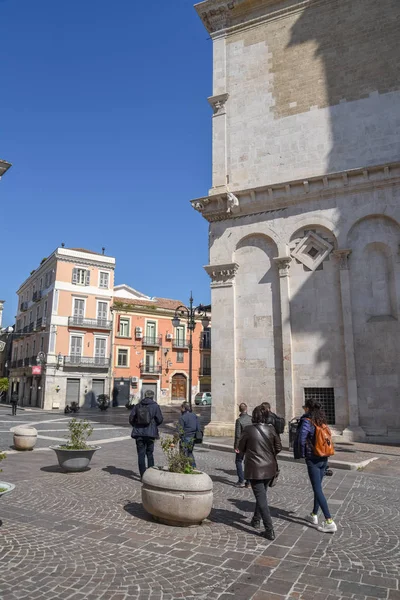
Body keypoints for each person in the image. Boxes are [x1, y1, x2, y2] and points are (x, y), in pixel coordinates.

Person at [239, 404, 282, 540]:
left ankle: (269, 529)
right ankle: (256, 520)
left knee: (261, 498)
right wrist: (268, 454)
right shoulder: (271, 429)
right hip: (269, 468)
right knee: (261, 495)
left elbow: (241, 448)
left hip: (255, 469)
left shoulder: (248, 430)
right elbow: (278, 447)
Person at [294, 398, 337, 533]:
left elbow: (301, 438)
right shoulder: (321, 420)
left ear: (308, 408)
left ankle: (329, 521)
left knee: (317, 489)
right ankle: (313, 515)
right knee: (317, 487)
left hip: (313, 458)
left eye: (304, 407)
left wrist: (301, 453)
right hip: (324, 458)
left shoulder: (307, 421)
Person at [129, 390, 163, 479]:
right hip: (151, 433)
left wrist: (136, 425)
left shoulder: (138, 405)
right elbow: (160, 419)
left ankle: (143, 475)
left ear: (144, 396)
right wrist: (153, 425)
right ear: (152, 396)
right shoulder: (155, 406)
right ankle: (150, 475)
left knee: (141, 454)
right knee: (150, 453)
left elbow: (131, 418)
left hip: (139, 433)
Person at [234, 403, 252, 488]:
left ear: (239, 410)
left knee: (238, 461)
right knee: (248, 462)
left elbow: (238, 435)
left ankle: (241, 480)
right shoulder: (251, 419)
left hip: (241, 444)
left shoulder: (239, 420)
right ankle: (248, 482)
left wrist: (236, 446)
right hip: (250, 443)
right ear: (246, 409)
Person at [178, 402, 200, 468]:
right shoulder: (194, 416)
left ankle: (183, 467)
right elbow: (198, 427)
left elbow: (180, 430)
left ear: (184, 408)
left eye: (181, 408)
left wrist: (180, 436)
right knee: (190, 452)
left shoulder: (182, 417)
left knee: (183, 453)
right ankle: (193, 466)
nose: (180, 409)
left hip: (185, 437)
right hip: (193, 437)